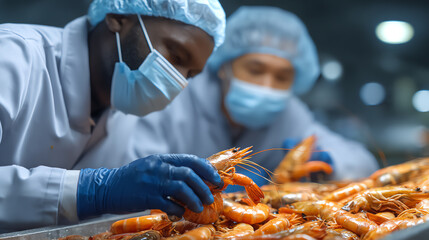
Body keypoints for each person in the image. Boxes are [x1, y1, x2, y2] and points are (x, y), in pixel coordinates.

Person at [0, 0, 226, 232]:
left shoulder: (126, 108)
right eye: (176, 57)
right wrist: (92, 191)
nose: (177, 82)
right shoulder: (13, 55)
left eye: (189, 75)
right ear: (118, 18)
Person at [112, 6, 379, 188]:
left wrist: (329, 162)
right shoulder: (176, 96)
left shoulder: (290, 114)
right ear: (225, 67)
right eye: (255, 69)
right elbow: (127, 172)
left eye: (282, 77)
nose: (267, 85)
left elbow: (363, 161)